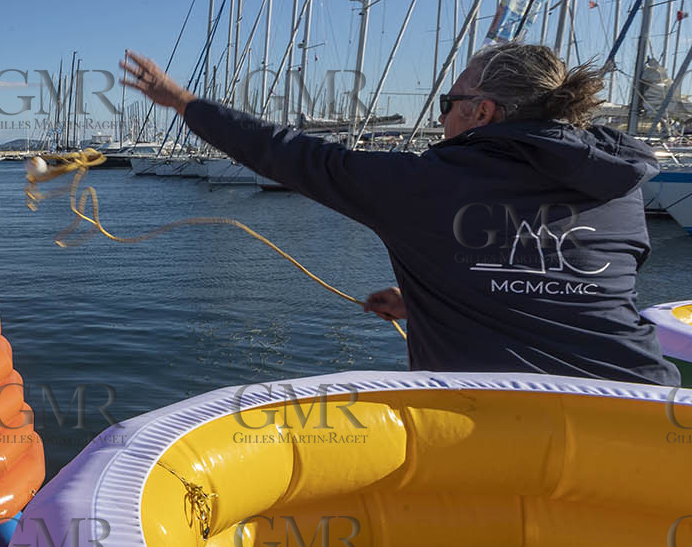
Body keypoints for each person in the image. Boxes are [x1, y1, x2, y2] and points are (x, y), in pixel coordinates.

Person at [119, 41, 677, 387]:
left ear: (481, 111)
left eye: (447, 104)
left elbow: (291, 154)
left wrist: (187, 104)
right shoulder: (620, 183)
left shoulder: (421, 184)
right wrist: (425, 302)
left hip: (500, 420)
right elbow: (571, 283)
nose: (440, 120)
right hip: (642, 401)